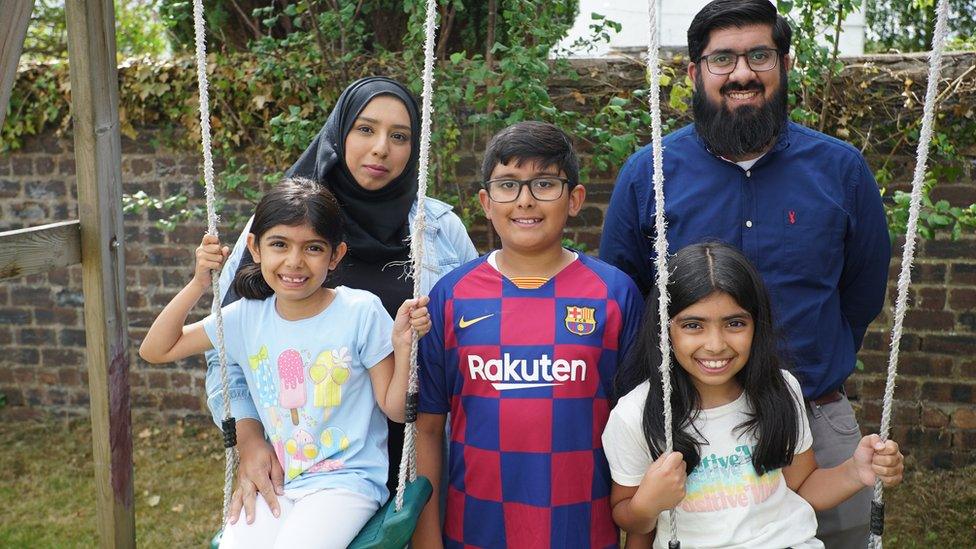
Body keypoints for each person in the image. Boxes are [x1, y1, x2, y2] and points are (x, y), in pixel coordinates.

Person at [598, 1, 891, 545]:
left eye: (759, 55)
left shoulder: (841, 170)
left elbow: (862, 293)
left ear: (784, 63)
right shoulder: (649, 174)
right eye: (722, 59)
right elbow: (627, 295)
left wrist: (816, 364)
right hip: (690, 428)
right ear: (694, 71)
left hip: (816, 420)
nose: (741, 73)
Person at [205, 76, 479, 524]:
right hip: (304, 467)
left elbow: (474, 336)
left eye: (399, 136)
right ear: (339, 133)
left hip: (421, 451)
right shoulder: (280, 224)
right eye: (366, 129)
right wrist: (250, 439)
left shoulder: (440, 228)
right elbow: (224, 352)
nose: (381, 149)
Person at [139, 178, 432, 548]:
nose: (294, 262)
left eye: (312, 248)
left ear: (336, 255)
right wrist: (199, 283)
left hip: (346, 482)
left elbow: (394, 409)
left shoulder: (360, 311)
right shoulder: (245, 317)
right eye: (279, 245)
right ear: (255, 247)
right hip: (281, 481)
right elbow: (157, 349)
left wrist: (403, 346)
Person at [412, 121, 646, 548]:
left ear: (575, 198)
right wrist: (427, 539)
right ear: (485, 201)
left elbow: (640, 427)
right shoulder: (449, 297)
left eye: (544, 183)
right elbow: (428, 428)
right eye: (508, 185)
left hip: (583, 529)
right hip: (477, 528)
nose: (525, 200)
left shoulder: (614, 294)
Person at [603, 242, 904, 549]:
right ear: (664, 330)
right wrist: (647, 504)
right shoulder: (636, 413)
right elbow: (628, 517)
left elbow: (801, 486)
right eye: (693, 325)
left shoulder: (780, 390)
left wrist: (856, 470)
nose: (716, 344)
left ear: (756, 325)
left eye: (735, 323)